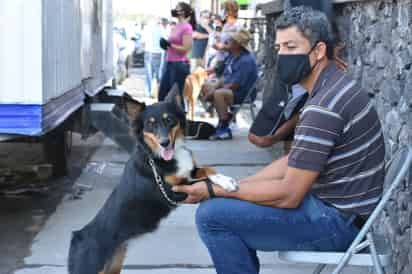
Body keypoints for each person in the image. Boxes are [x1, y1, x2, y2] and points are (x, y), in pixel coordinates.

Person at [172, 6, 385, 274]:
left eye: (291, 46)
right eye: (279, 47)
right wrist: (234, 186)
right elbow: (292, 162)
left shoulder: (323, 108)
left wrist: (216, 190)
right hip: (346, 214)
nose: (282, 55)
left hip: (336, 224)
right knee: (225, 204)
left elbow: (289, 195)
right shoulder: (333, 87)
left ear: (318, 51)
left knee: (212, 217)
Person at [203, 29, 258, 140]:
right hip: (232, 90)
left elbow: (235, 85)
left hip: (243, 93)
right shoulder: (232, 56)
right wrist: (213, 86)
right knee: (206, 86)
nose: (228, 41)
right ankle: (225, 117)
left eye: (231, 40)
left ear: (237, 44)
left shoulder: (246, 60)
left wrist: (214, 91)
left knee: (218, 94)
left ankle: (224, 128)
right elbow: (225, 77)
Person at [158, 2, 195, 102]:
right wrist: (165, 45)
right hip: (170, 63)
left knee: (176, 97)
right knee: (162, 94)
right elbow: (173, 46)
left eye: (177, 8)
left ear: (183, 12)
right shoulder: (177, 26)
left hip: (179, 65)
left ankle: (180, 116)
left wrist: (170, 45)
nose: (174, 10)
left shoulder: (187, 27)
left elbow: (186, 48)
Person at [212, 0, 240, 77]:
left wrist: (223, 47)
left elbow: (237, 47)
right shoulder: (224, 24)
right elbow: (217, 37)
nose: (223, 11)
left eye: (225, 9)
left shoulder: (237, 26)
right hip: (219, 59)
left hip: (229, 60)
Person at [142, 18, 167, 98]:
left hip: (148, 52)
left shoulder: (147, 28)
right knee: (158, 74)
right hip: (158, 53)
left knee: (148, 73)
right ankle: (159, 92)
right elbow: (165, 41)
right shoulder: (162, 29)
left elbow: (143, 42)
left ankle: (148, 92)